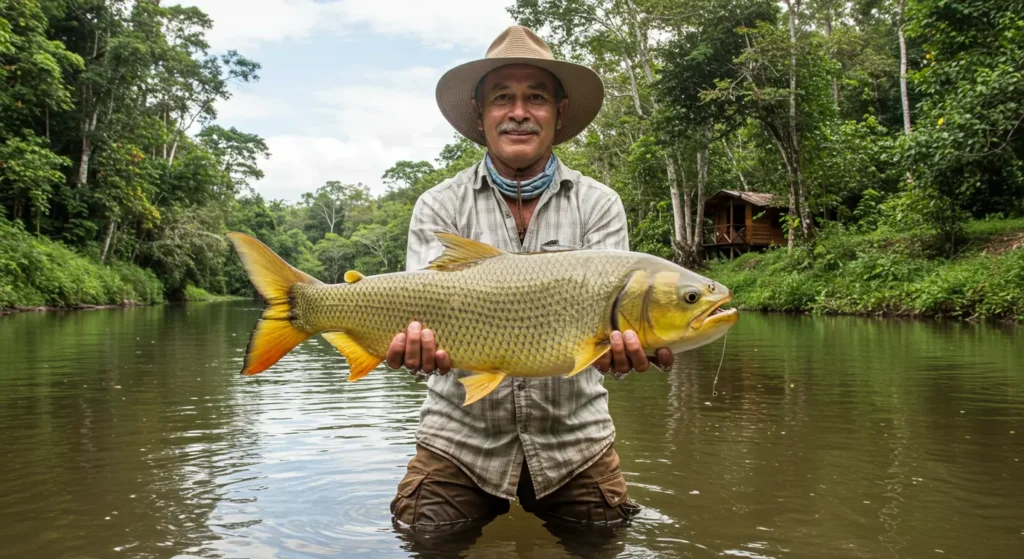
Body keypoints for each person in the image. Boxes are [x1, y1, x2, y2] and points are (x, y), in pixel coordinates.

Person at [386, 25, 674, 539]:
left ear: (559, 113)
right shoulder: (439, 204)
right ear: (480, 114)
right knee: (422, 541)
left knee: (605, 544)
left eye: (536, 97)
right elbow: (416, 318)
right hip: (459, 435)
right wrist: (413, 351)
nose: (519, 111)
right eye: (503, 98)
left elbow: (612, 331)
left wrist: (628, 354)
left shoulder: (599, 204)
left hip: (574, 439)